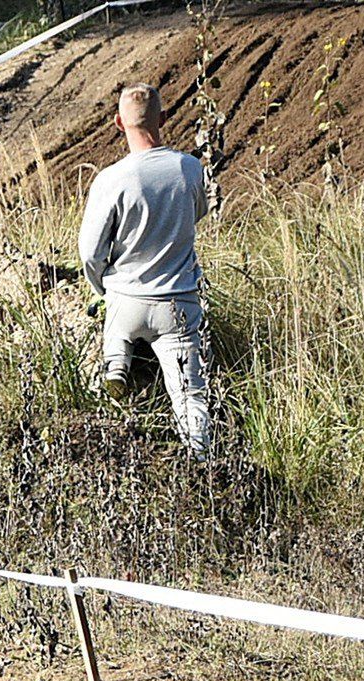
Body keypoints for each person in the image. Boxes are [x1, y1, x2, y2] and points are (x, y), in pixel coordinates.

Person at [79, 82, 212, 457]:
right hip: (178, 305)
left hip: (126, 300)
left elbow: (90, 252)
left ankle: (116, 365)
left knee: (116, 329)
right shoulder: (189, 168)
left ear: (119, 124)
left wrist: (101, 288)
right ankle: (201, 462)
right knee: (190, 396)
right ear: (164, 119)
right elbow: (198, 213)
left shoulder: (111, 179)